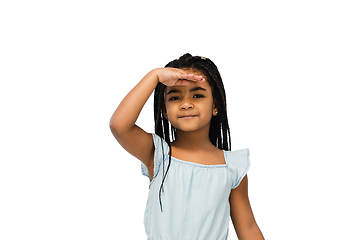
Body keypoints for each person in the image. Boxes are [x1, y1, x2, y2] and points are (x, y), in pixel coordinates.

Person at [110, 53, 264, 240]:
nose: (186, 104)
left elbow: (248, 228)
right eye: (175, 98)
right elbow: (119, 125)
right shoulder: (158, 155)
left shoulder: (231, 167)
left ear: (215, 104)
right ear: (164, 110)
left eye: (197, 95)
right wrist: (155, 76)